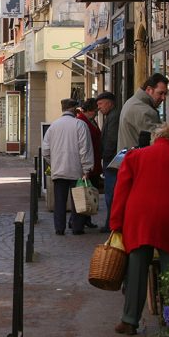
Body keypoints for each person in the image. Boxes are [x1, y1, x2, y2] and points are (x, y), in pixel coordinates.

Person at [109, 122, 169, 335]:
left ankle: (129, 320)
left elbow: (121, 192)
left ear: (156, 138)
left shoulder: (134, 157)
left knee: (136, 267)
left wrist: (116, 223)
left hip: (139, 217)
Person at [41, 98, 95, 235]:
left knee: (59, 201)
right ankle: (77, 227)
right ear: (74, 109)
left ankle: (59, 228)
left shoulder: (53, 126)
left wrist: (53, 163)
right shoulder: (80, 125)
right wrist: (87, 168)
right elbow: (85, 148)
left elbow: (45, 150)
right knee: (78, 199)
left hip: (59, 169)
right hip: (76, 169)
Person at [117, 73, 169, 152]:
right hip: (137, 161)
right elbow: (158, 143)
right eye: (160, 93)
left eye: (165, 94)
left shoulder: (133, 102)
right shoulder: (144, 111)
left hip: (129, 159)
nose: (163, 98)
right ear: (148, 90)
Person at [77, 98, 103, 229]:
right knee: (85, 191)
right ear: (90, 110)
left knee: (91, 190)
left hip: (95, 159)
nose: (96, 113)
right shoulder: (82, 121)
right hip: (89, 160)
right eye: (95, 110)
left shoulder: (91, 121)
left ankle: (86, 218)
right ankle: (78, 220)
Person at [95, 91, 120, 232]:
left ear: (109, 103)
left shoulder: (114, 116)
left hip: (111, 161)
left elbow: (111, 139)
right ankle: (109, 223)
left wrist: (106, 157)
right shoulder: (110, 116)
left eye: (100, 104)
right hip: (110, 160)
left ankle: (110, 224)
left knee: (111, 194)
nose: (99, 107)